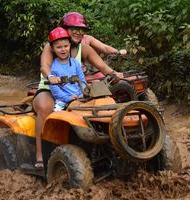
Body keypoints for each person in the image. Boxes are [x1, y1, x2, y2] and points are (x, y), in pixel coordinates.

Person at [33, 12, 123, 169]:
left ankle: (104, 145)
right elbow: (44, 66)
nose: (78, 32)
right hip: (50, 87)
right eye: (74, 29)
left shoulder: (84, 48)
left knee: (101, 104)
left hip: (75, 89)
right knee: (45, 107)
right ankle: (40, 154)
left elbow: (102, 66)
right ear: (64, 29)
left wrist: (115, 75)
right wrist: (50, 76)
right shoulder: (51, 46)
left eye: (81, 29)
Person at [48, 27, 86, 112]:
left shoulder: (75, 63)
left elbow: (82, 79)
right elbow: (54, 89)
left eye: (66, 46)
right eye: (59, 47)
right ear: (52, 49)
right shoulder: (53, 67)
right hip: (62, 100)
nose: (63, 49)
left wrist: (82, 93)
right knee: (57, 114)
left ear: (70, 45)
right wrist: (67, 98)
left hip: (79, 96)